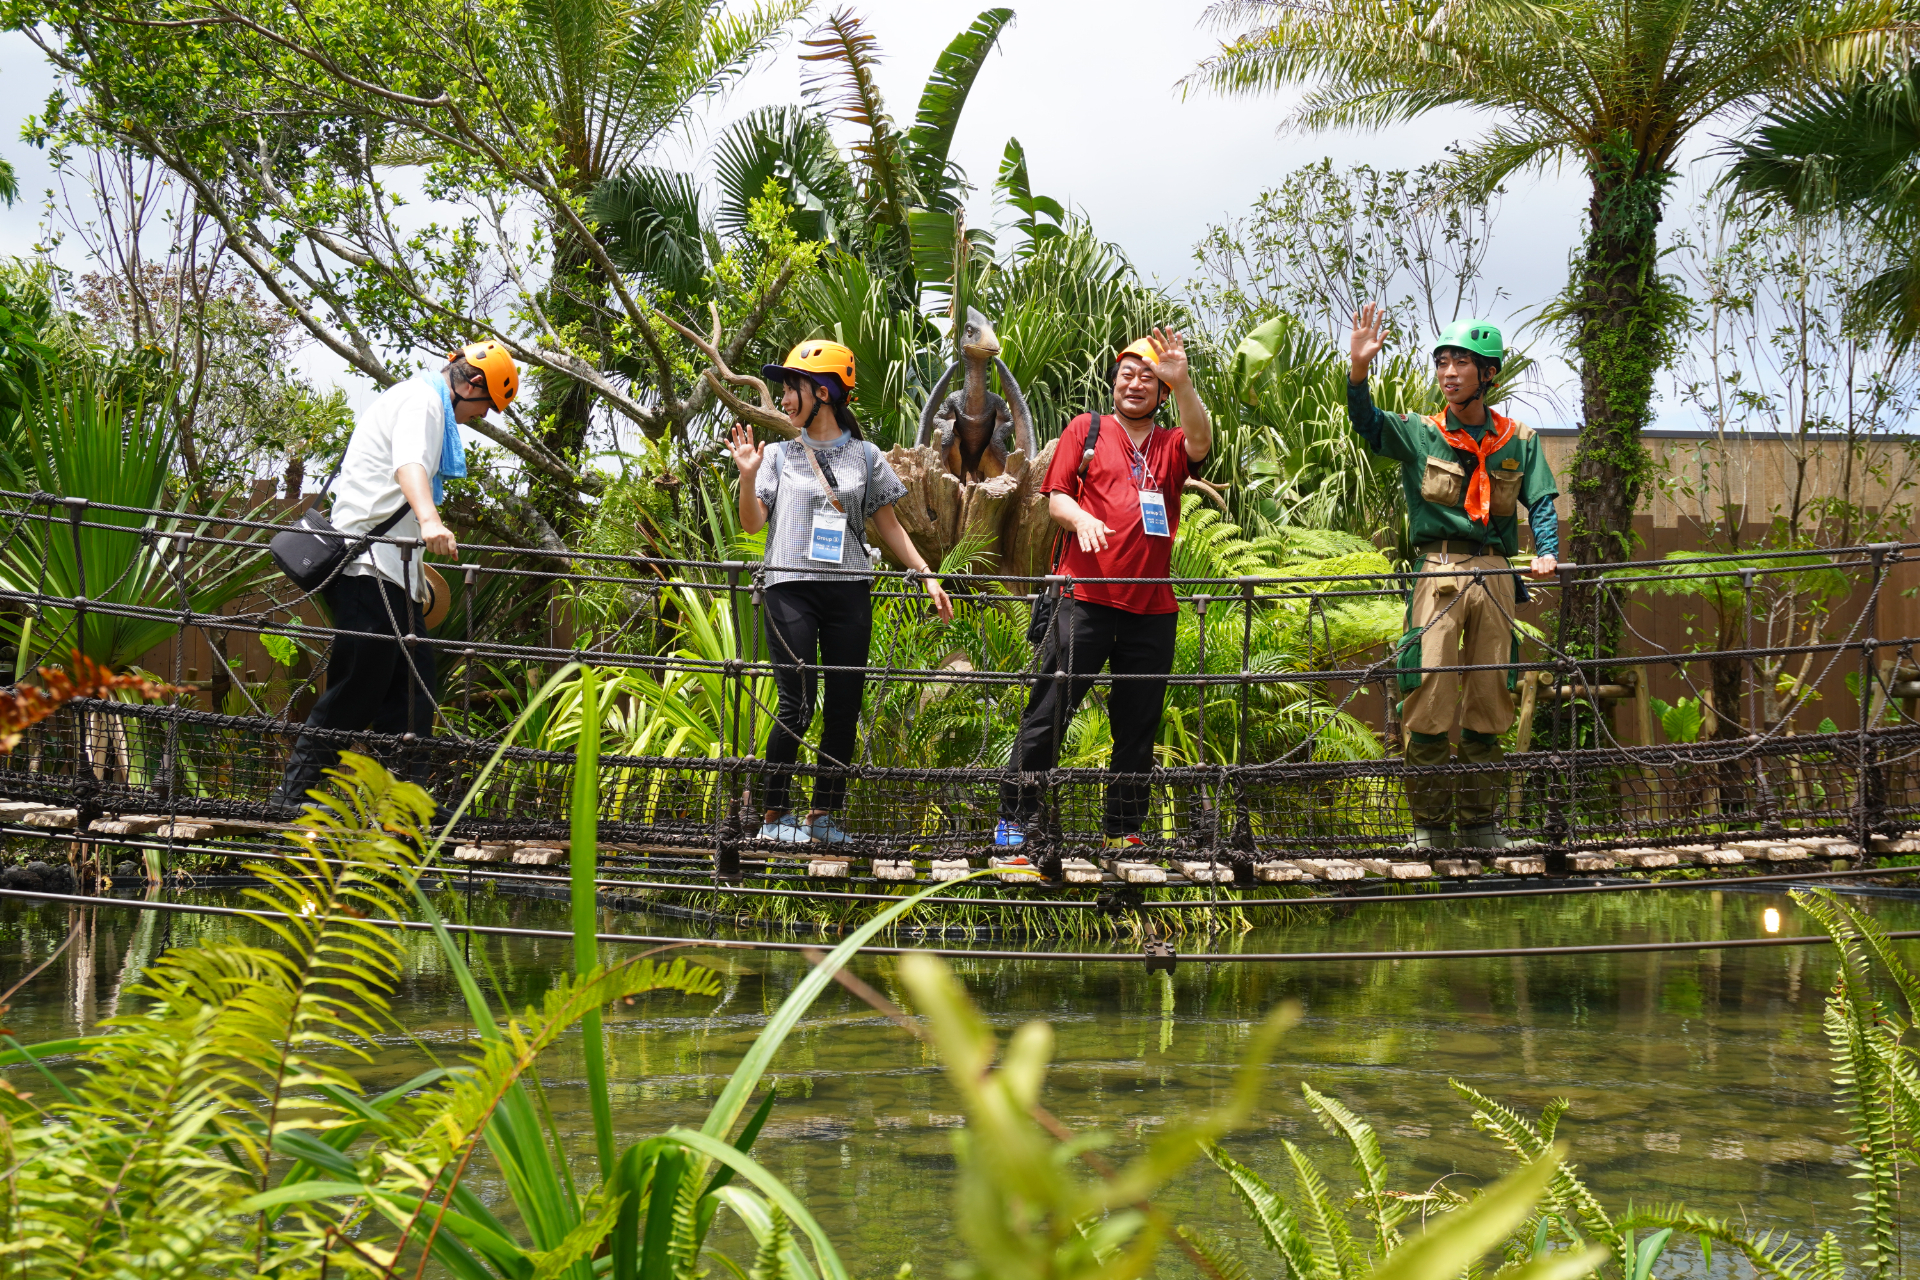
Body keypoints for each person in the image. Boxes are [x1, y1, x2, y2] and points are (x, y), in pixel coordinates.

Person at [1346, 304, 1560, 850]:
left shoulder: (1520, 439)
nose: (1448, 372)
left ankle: (1482, 827)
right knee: (1428, 694)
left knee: (1492, 696)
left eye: (1461, 363)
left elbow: (1539, 501)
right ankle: (1431, 829)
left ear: (1488, 374)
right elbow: (1369, 424)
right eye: (1442, 362)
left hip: (1495, 571)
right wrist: (1358, 372)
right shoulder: (1422, 433)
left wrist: (1547, 553)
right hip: (1438, 569)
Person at [728, 339, 953, 845]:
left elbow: (890, 527)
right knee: (797, 703)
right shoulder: (779, 456)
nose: (785, 400)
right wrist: (747, 476)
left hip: (849, 589)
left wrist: (925, 574)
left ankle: (824, 818)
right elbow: (750, 525)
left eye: (793, 389)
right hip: (790, 587)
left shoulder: (866, 456)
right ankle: (773, 816)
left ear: (823, 392)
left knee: (845, 704)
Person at [995, 329, 1211, 854]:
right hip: (1084, 599)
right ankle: (1015, 820)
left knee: (1137, 724)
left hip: (1152, 608)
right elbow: (1056, 500)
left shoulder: (1169, 444)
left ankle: (1123, 830)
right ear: (1113, 382)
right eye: (1125, 374)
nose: (1134, 384)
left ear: (1161, 390)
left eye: (1147, 377)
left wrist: (1183, 384)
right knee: (1049, 710)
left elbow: (1201, 441)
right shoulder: (1086, 430)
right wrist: (1082, 517)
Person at [275, 341, 515, 809]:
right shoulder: (422, 401)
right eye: (487, 405)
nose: (483, 417)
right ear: (470, 384)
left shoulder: (425, 400)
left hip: (394, 574)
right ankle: (292, 796)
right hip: (368, 569)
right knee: (356, 689)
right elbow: (409, 465)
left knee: (411, 695)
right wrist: (429, 521)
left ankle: (405, 804)